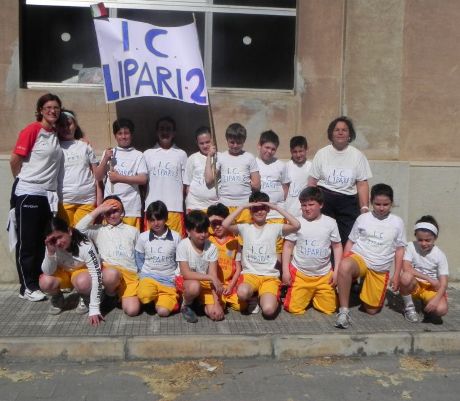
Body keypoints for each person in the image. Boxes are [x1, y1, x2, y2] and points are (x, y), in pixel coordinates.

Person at [10, 93, 64, 301]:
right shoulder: (33, 130)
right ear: (41, 110)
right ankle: (27, 287)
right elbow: (14, 160)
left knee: (43, 241)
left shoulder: (54, 133)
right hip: (28, 193)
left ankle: (39, 282)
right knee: (28, 243)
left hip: (47, 196)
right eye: (48, 107)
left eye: (56, 108)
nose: (53, 111)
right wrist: (22, 183)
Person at [335, 183, 406, 329]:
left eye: (385, 204)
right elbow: (350, 241)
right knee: (345, 266)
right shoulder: (363, 218)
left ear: (392, 203)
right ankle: (343, 311)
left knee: (371, 310)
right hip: (360, 258)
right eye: (377, 204)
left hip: (379, 267)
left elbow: (399, 250)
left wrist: (397, 274)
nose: (381, 208)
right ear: (371, 202)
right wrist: (342, 267)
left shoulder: (397, 222)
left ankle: (363, 286)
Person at [222, 191, 300, 318]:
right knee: (242, 293)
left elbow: (296, 225)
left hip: (270, 276)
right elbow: (225, 224)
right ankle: (253, 296)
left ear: (268, 210)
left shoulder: (275, 227)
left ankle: (268, 297)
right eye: (255, 209)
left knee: (268, 311)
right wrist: (242, 207)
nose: (259, 212)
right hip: (250, 275)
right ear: (250, 210)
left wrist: (276, 207)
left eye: (263, 208)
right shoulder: (244, 227)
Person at [308, 116, 372, 246]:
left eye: (344, 130)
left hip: (348, 202)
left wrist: (364, 207)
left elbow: (362, 184)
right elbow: (312, 182)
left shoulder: (357, 156)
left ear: (350, 135)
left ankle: (342, 265)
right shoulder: (322, 154)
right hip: (325, 200)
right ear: (331, 134)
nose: (340, 132)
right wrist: (311, 203)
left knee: (346, 238)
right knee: (324, 237)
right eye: (337, 130)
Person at [76, 196, 141, 316]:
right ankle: (107, 294)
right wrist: (99, 209)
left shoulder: (133, 231)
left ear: (122, 212)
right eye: (108, 212)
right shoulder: (99, 230)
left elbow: (139, 255)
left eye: (115, 211)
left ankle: (114, 294)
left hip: (129, 275)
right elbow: (78, 230)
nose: (112, 215)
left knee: (132, 310)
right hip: (108, 273)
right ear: (103, 214)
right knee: (110, 274)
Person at [282, 187, 342, 315]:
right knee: (293, 309)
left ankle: (314, 295)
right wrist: (285, 271)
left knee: (329, 310)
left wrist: (336, 271)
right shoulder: (296, 223)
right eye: (304, 205)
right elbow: (288, 246)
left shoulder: (330, 223)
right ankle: (304, 294)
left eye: (311, 204)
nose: (307, 208)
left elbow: (337, 247)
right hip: (301, 274)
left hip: (324, 275)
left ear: (321, 204)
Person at [39, 217, 103, 326]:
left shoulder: (85, 245)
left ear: (69, 231)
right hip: (64, 274)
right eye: (54, 239)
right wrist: (50, 253)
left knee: (84, 282)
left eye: (60, 237)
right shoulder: (52, 245)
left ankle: (86, 297)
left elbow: (97, 275)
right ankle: (58, 298)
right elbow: (48, 272)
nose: (58, 242)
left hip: (80, 274)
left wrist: (94, 308)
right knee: (44, 281)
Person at [95, 118, 147, 230]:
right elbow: (98, 177)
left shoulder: (138, 155)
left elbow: (143, 179)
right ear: (115, 135)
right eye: (120, 133)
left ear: (131, 135)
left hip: (131, 208)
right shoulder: (109, 153)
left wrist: (119, 178)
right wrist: (105, 159)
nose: (123, 136)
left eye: (126, 133)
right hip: (110, 208)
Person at [205, 123, 260, 224]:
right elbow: (209, 180)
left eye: (239, 142)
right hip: (225, 206)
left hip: (244, 207)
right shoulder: (221, 157)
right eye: (232, 142)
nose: (235, 145)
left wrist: (244, 180)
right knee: (228, 238)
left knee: (244, 238)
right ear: (227, 140)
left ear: (244, 141)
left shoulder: (249, 157)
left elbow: (257, 185)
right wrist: (209, 156)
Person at [135, 201, 181, 317]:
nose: (155, 223)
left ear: (166, 218)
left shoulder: (176, 237)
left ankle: (166, 299)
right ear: (148, 221)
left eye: (159, 219)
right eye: (152, 220)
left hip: (168, 280)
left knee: (163, 312)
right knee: (145, 295)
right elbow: (139, 258)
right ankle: (152, 298)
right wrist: (143, 274)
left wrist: (176, 275)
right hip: (149, 277)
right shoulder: (143, 237)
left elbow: (180, 260)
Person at [399, 216, 448, 323]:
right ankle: (409, 308)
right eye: (420, 240)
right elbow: (406, 267)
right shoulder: (411, 246)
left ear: (435, 238)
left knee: (441, 309)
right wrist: (429, 279)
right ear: (415, 236)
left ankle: (427, 304)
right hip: (415, 283)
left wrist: (435, 300)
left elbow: (444, 283)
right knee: (405, 277)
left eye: (428, 240)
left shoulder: (440, 255)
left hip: (431, 288)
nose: (424, 243)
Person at [176, 210, 223, 323]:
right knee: (194, 287)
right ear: (188, 231)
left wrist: (217, 304)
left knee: (215, 314)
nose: (203, 235)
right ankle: (186, 305)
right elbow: (186, 274)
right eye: (199, 231)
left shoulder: (211, 248)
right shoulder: (183, 245)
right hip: (185, 282)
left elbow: (213, 277)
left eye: (205, 231)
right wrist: (211, 278)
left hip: (204, 282)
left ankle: (199, 303)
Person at [144, 116, 188, 236]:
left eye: (168, 129)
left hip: (175, 209)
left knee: (176, 247)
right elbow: (143, 182)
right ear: (157, 132)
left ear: (174, 133)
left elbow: (185, 184)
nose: (165, 132)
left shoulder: (181, 154)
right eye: (162, 129)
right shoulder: (147, 154)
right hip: (152, 210)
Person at [57, 110, 100, 226]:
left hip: (87, 200)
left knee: (82, 236)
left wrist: (99, 201)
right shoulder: (55, 147)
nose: (66, 128)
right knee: (66, 236)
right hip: (64, 200)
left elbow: (97, 176)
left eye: (69, 124)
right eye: (62, 125)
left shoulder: (85, 146)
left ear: (75, 125)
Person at [256, 130, 290, 256]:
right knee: (260, 248)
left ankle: (277, 275)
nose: (269, 151)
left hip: (277, 214)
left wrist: (280, 207)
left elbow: (285, 188)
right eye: (267, 147)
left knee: (277, 250)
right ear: (259, 145)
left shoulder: (281, 165)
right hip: (259, 214)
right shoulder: (253, 163)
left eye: (273, 149)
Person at [207, 203, 244, 312]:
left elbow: (238, 268)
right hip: (213, 284)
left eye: (220, 223)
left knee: (241, 306)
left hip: (229, 284)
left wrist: (231, 285)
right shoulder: (208, 240)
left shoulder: (235, 241)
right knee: (220, 307)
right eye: (214, 224)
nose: (217, 227)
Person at [184, 126, 218, 212]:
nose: (205, 146)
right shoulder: (192, 158)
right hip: (195, 205)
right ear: (197, 143)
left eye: (207, 142)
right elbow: (188, 184)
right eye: (201, 143)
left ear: (212, 141)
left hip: (214, 206)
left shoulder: (219, 157)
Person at [285, 136, 312, 217]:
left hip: (305, 211)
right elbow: (285, 190)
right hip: (289, 211)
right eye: (295, 152)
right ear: (291, 151)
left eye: (301, 151)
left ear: (306, 149)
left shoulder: (311, 167)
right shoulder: (287, 166)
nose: (298, 154)